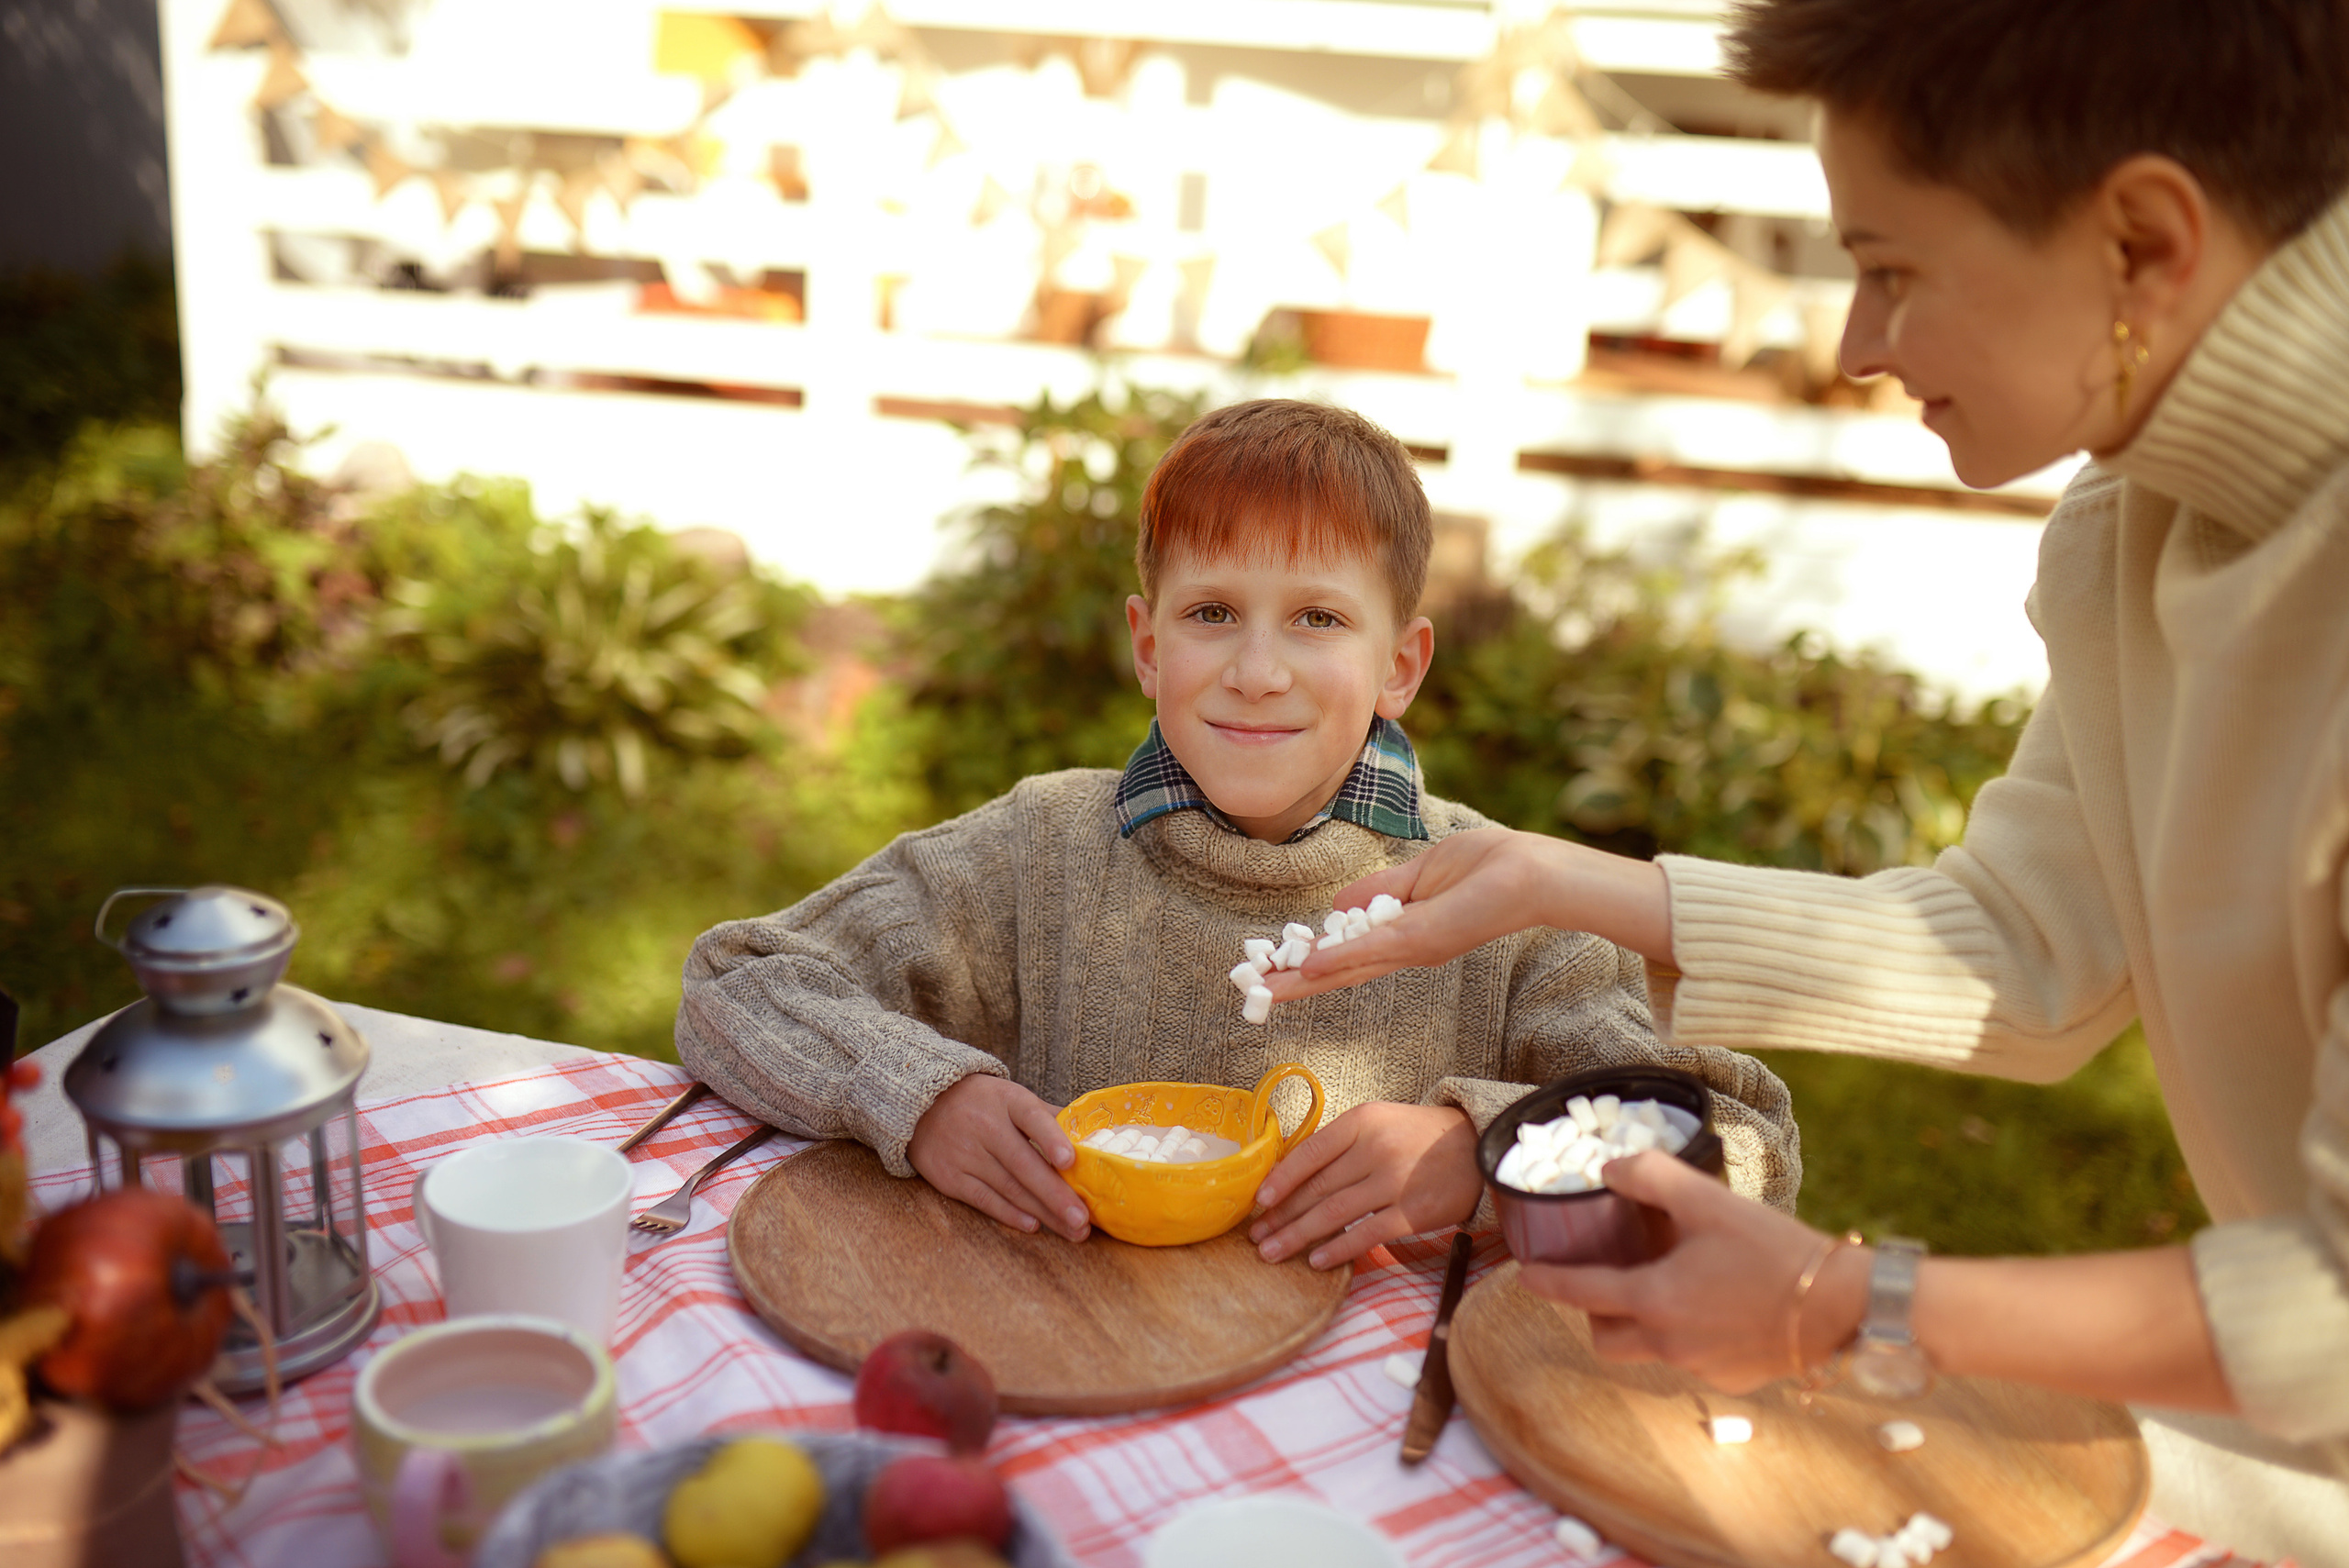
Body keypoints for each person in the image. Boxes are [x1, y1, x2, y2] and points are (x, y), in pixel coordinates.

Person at [1269, 0, 2349, 1556]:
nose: (1855, 349)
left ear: (2143, 243)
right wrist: (1576, 883)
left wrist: (1843, 1297)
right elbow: (2030, 948)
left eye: (1893, 268)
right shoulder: (2136, 524)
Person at [675, 398, 1798, 1271]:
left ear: (1399, 665)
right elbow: (737, 979)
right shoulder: (1041, 850)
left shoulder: (1504, 907)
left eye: (1317, 617)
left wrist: (1492, 1151)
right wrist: (923, 1096)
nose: (1257, 672)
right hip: (1074, 1363)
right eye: (1212, 612)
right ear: (1148, 645)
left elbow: (1745, 1147)